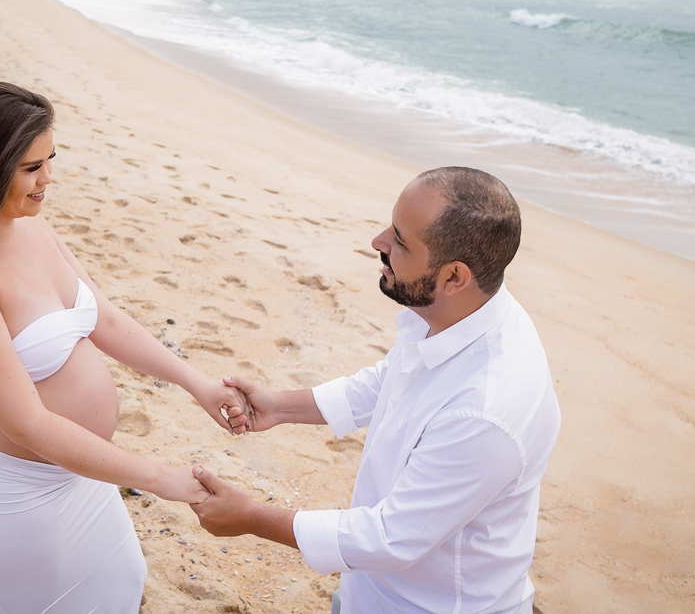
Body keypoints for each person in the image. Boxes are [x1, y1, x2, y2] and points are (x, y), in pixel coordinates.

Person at [0, 82, 251, 614]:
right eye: (31, 168)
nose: (49, 179)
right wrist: (160, 478)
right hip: (13, 492)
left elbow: (106, 319)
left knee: (121, 582)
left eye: (51, 159)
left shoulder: (31, 225)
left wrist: (197, 384)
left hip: (79, 472)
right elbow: (30, 425)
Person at [199, 167, 562, 613]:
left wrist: (251, 517)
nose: (378, 241)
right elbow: (392, 378)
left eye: (400, 241)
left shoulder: (485, 413)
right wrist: (280, 407)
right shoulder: (460, 311)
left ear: (454, 277)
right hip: (370, 592)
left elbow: (391, 538)